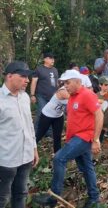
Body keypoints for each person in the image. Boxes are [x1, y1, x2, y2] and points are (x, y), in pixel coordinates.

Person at [33, 70, 104, 208]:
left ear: (78, 82)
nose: (65, 85)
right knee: (86, 168)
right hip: (75, 137)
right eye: (64, 83)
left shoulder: (87, 95)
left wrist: (96, 139)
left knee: (59, 158)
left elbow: (99, 114)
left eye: (68, 82)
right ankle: (94, 198)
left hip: (84, 137)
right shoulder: (72, 96)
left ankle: (53, 197)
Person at [0, 61, 39, 208]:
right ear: (9, 76)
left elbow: (29, 125)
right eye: (23, 76)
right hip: (6, 161)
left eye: (28, 77)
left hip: (26, 157)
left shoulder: (25, 97)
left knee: (21, 194)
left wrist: (34, 149)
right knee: (2, 198)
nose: (27, 80)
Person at [36, 79, 69, 153]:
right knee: (40, 134)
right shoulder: (63, 91)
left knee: (57, 137)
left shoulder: (71, 91)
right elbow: (76, 100)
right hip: (47, 115)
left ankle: (57, 155)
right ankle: (30, 149)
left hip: (58, 116)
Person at [30, 52, 59, 133]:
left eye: (53, 58)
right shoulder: (39, 69)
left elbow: (57, 83)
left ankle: (48, 132)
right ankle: (35, 131)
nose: (53, 60)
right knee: (41, 113)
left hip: (53, 96)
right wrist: (32, 95)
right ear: (45, 59)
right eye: (50, 58)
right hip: (41, 95)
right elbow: (34, 81)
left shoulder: (55, 70)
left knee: (51, 113)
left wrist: (59, 92)